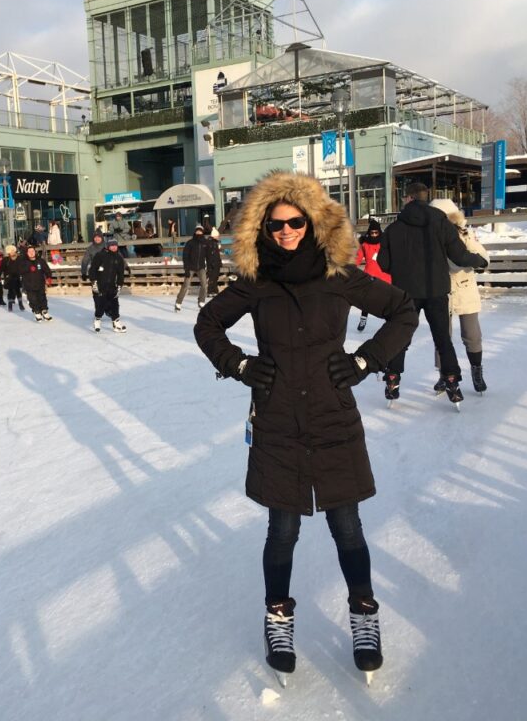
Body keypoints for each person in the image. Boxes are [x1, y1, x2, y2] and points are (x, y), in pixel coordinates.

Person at [193, 171, 417, 685]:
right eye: (276, 225)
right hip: (277, 419)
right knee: (283, 529)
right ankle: (278, 618)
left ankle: (363, 616)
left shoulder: (338, 275)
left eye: (295, 222)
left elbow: (403, 310)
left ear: (313, 223)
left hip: (332, 414)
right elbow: (207, 324)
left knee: (347, 526)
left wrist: (367, 361)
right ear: (262, 230)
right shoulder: (257, 282)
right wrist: (240, 365)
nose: (287, 231)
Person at [378, 183, 489, 405]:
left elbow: (383, 263)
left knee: (401, 335)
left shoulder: (394, 228)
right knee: (442, 338)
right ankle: (451, 380)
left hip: (405, 292)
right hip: (436, 290)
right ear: (425, 197)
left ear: (407, 198)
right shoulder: (441, 223)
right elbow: (459, 256)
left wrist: (402, 271)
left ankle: (392, 378)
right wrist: (480, 261)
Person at [431, 198, 490, 394]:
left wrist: (475, 261)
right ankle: (443, 374)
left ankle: (476, 370)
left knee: (472, 335)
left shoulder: (465, 234)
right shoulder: (429, 238)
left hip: (464, 288)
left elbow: (483, 257)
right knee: (442, 336)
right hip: (440, 289)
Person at [354, 218, 391, 332]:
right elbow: (358, 257)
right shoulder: (365, 244)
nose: (374, 235)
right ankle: (363, 318)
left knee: (387, 300)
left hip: (384, 275)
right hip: (370, 275)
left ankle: (390, 322)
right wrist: (351, 266)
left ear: (379, 232)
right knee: (367, 299)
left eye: (376, 233)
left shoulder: (384, 243)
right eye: (372, 233)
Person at [88, 236, 127, 333]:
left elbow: (120, 274)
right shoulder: (100, 255)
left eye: (115, 245)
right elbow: (92, 270)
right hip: (100, 285)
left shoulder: (119, 258)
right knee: (100, 305)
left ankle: (116, 323)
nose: (114, 247)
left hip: (112, 286)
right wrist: (94, 282)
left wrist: (119, 286)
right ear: (108, 246)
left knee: (115, 305)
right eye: (112, 246)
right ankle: (97, 320)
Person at [174, 226, 209, 312]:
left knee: (204, 285)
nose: (199, 233)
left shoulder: (205, 243)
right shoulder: (190, 243)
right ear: (195, 232)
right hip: (190, 267)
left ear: (202, 232)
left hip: (201, 267)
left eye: (200, 231)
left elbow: (208, 256)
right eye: (197, 231)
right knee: (186, 285)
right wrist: (186, 269)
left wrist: (209, 267)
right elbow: (185, 256)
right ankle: (178, 303)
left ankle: (201, 301)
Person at [19, 245, 53, 322]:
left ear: (35, 252)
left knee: (42, 298)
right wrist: (28, 268)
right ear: (27, 253)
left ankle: (44, 311)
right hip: (29, 285)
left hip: (40, 283)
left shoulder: (40, 261)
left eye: (32, 251)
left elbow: (47, 270)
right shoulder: (24, 262)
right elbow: (20, 271)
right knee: (33, 299)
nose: (31, 253)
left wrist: (49, 277)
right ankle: (37, 311)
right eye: (29, 252)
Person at [0, 245, 25, 313]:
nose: (11, 252)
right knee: (10, 291)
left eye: (12, 250)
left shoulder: (20, 258)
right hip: (9, 278)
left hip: (18, 277)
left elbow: (24, 266)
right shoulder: (5, 260)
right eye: (10, 251)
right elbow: (1, 268)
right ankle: (10, 304)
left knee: (18, 291)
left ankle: (20, 304)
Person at [206, 227, 223, 297]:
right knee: (212, 277)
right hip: (213, 263)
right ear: (214, 236)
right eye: (217, 236)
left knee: (215, 277)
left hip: (215, 263)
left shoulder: (215, 243)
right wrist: (213, 263)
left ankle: (214, 290)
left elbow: (216, 254)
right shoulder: (211, 243)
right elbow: (211, 254)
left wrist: (219, 262)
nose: (218, 237)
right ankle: (210, 290)